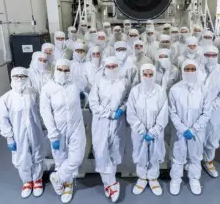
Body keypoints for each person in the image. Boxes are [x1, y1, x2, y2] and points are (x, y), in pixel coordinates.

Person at [40, 59, 86, 203]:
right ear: (55, 69)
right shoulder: (47, 88)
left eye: (67, 70)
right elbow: (45, 111)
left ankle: (57, 177)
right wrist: (53, 134)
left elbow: (88, 93)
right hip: (58, 129)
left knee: (77, 157)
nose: (63, 73)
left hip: (76, 126)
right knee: (60, 158)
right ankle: (67, 184)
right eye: (60, 69)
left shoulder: (76, 84)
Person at [0, 67, 44, 198]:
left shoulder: (34, 93)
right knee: (22, 158)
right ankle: (27, 182)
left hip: (35, 131)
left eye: (23, 76)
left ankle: (37, 180)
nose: (20, 79)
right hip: (18, 134)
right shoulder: (6, 98)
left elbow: (40, 111)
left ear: (27, 78)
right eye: (16, 76)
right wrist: (9, 138)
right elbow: (3, 119)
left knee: (37, 154)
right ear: (12, 78)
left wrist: (44, 127)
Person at [89, 57, 130, 203]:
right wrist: (110, 114)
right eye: (109, 66)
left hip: (117, 123)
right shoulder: (99, 82)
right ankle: (111, 183)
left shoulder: (124, 81)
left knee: (114, 151)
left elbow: (127, 99)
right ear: (105, 68)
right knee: (101, 152)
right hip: (101, 122)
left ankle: (109, 183)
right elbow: (93, 104)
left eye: (114, 66)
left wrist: (122, 109)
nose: (112, 69)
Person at [169, 60, 211, 195]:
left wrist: (193, 129)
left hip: (197, 131)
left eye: (193, 69)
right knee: (178, 155)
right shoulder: (175, 89)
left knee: (195, 155)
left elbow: (206, 112)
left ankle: (194, 179)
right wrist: (182, 128)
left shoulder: (204, 89)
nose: (190, 72)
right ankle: (175, 179)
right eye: (187, 69)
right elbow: (172, 112)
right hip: (180, 131)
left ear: (197, 70)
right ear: (182, 70)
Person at [127, 64, 168, 196]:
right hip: (139, 132)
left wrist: (154, 131)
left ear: (155, 75)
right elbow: (131, 113)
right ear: (141, 75)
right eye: (145, 74)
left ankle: (153, 177)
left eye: (151, 75)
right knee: (140, 153)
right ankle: (142, 177)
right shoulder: (135, 91)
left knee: (155, 154)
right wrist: (141, 130)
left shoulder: (160, 91)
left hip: (156, 132)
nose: (148, 77)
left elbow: (163, 113)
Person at [200, 46, 220, 178]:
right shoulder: (196, 69)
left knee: (212, 135)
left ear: (217, 56)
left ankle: (208, 161)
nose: (210, 58)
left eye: (213, 55)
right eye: (207, 55)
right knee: (197, 135)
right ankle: (194, 160)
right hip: (197, 110)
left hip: (214, 111)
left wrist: (210, 106)